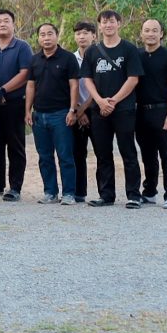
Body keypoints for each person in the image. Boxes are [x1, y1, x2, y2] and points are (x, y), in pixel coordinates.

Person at [81, 9, 144, 208]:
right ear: (99, 26)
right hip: (99, 110)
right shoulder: (92, 51)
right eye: (104, 22)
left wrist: (113, 101)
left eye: (112, 21)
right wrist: (100, 101)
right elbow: (87, 79)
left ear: (119, 23)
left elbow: (133, 79)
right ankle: (106, 195)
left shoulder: (129, 49)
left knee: (128, 152)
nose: (108, 25)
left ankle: (134, 195)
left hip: (124, 109)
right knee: (102, 153)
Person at [24, 23, 79, 205]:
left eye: (50, 34)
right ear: (38, 38)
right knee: (44, 157)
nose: (46, 38)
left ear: (56, 36)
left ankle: (69, 193)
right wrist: (28, 111)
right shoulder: (34, 60)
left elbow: (74, 85)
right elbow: (30, 86)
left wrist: (72, 110)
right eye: (42, 34)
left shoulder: (68, 58)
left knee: (65, 156)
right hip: (39, 115)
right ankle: (50, 192)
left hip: (61, 114)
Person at [0, 9, 32, 201]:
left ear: (13, 24)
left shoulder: (22, 47)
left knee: (15, 146)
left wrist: (2, 91)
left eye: (6, 21)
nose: (2, 24)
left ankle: (15, 187)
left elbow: (25, 73)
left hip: (14, 104)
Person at [135, 18, 167, 209]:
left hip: (162, 111)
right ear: (141, 33)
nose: (151, 34)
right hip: (140, 112)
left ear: (161, 34)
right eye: (147, 30)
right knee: (147, 155)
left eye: (155, 30)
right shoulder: (136, 55)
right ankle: (149, 192)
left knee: (166, 155)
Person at [71, 21, 97, 203]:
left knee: (102, 153)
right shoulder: (70, 59)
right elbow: (68, 87)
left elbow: (101, 86)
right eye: (78, 33)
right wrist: (78, 111)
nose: (82, 36)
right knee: (77, 154)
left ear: (94, 36)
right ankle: (79, 192)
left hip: (97, 110)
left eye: (86, 33)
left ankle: (105, 193)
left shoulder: (100, 56)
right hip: (76, 112)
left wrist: (84, 109)